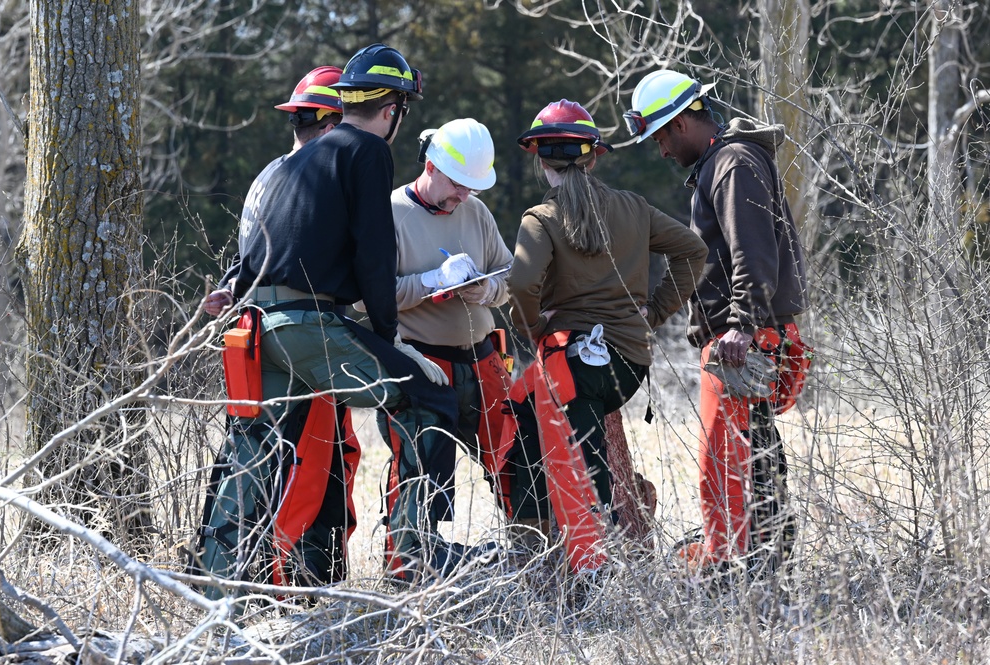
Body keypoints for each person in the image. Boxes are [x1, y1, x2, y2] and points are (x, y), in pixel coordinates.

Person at [195, 43, 465, 596]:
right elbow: (373, 253)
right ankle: (419, 555)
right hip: (304, 326)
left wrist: (231, 290)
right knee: (431, 398)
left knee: (255, 454)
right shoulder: (368, 153)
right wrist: (396, 344)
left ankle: (215, 592)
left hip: (254, 327)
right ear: (393, 111)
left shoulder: (291, 164)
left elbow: (255, 253)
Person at [624, 70, 811, 578]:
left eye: (661, 135)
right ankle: (767, 567)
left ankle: (733, 572)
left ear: (684, 121)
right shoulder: (729, 162)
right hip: (743, 338)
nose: (661, 150)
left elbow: (754, 251)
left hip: (741, 343)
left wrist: (741, 326)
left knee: (724, 464)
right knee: (756, 458)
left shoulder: (731, 163)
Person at [505, 99, 708, 566]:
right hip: (629, 364)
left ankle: (579, 570)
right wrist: (654, 314)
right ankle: (606, 553)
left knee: (573, 470)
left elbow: (519, 284)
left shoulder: (541, 219)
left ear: (539, 158)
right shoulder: (633, 208)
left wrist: (535, 328)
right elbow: (693, 251)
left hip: (571, 364)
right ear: (594, 155)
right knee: (590, 456)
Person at [367, 119, 515, 573]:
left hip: (483, 357)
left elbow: (508, 275)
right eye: (457, 184)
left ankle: (534, 549)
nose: (464, 196)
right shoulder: (387, 213)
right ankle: (409, 562)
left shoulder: (477, 213)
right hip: (420, 360)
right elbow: (365, 296)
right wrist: (430, 283)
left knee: (517, 452)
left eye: (472, 186)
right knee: (421, 463)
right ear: (430, 166)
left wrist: (485, 291)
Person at [204, 65, 345, 316]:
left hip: (259, 320)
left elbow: (250, 255)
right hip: (298, 323)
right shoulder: (311, 183)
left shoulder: (269, 174)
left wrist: (229, 288)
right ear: (333, 132)